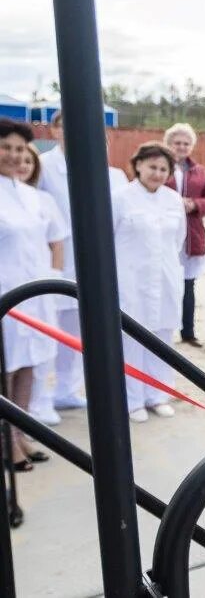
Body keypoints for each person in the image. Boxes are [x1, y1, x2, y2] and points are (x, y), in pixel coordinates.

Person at [35, 110, 128, 415]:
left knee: (79, 330)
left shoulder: (113, 176)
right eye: (66, 127)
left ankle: (65, 388)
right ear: (55, 131)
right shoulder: (44, 166)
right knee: (48, 330)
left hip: (97, 264)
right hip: (57, 259)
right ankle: (40, 398)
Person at [0, 118, 67, 469]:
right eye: (5, 147)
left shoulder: (31, 194)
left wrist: (52, 279)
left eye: (18, 149)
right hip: (5, 299)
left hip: (34, 296)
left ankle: (18, 434)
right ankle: (6, 443)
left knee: (28, 366)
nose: (12, 155)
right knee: (5, 368)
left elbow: (54, 240)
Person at [111, 143, 186, 422]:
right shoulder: (120, 197)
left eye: (163, 169)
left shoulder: (172, 199)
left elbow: (178, 239)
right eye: (152, 166)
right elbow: (108, 238)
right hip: (130, 279)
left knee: (162, 337)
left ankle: (158, 394)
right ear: (138, 164)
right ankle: (133, 400)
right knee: (131, 339)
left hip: (165, 278)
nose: (157, 173)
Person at [17, 144, 69, 427]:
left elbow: (57, 240)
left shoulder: (43, 200)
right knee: (13, 359)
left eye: (28, 160)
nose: (22, 164)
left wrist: (54, 275)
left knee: (42, 350)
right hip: (13, 288)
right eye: (17, 158)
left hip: (39, 286)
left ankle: (37, 407)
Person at [163, 123, 205, 348]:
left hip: (191, 236)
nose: (181, 147)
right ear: (169, 144)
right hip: (164, 233)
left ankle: (188, 332)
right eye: (177, 143)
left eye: (186, 143)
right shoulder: (159, 166)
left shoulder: (200, 171)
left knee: (188, 285)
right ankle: (163, 330)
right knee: (165, 284)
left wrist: (194, 204)